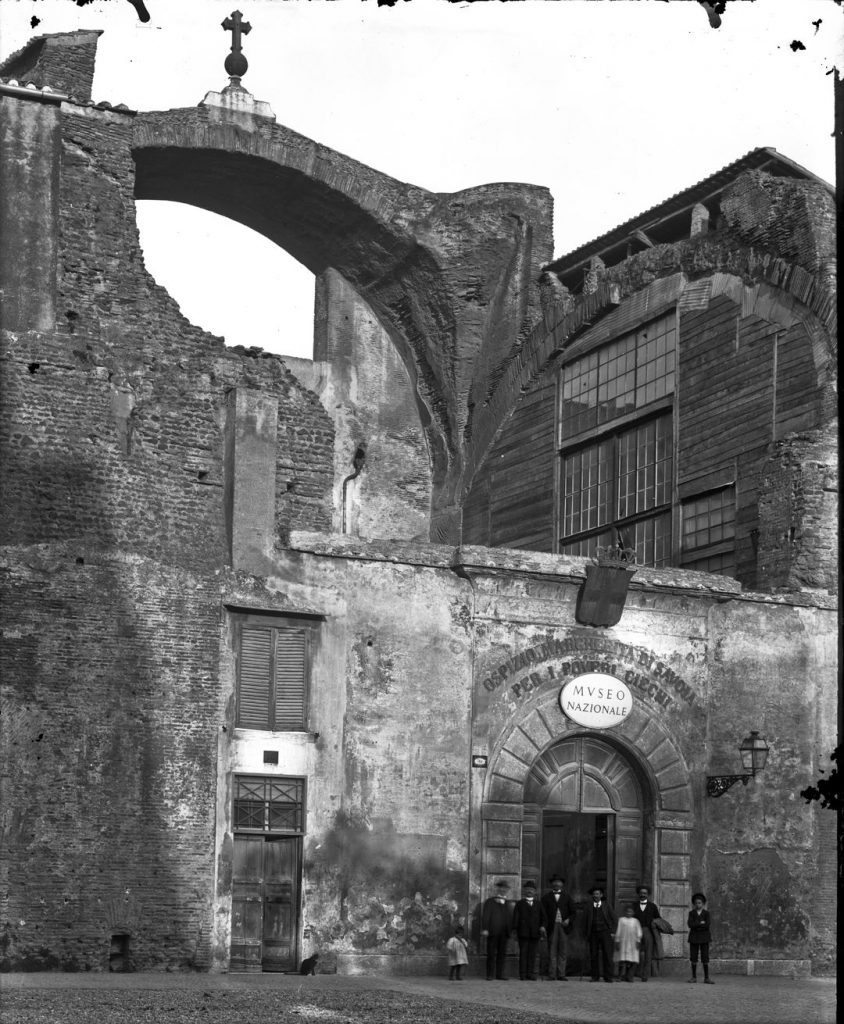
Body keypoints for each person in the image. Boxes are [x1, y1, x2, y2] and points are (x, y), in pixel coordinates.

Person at [539, 875, 576, 980]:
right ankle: (551, 974)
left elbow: (573, 912)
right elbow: (543, 914)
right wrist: (543, 926)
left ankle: (561, 974)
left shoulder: (567, 897)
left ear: (562, 884)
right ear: (552, 884)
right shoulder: (546, 898)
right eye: (555, 882)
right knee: (552, 951)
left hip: (563, 927)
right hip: (552, 927)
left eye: (559, 882)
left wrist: (568, 920)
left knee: (563, 951)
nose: (557, 884)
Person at [513, 880, 546, 980]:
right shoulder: (520, 904)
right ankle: (522, 974)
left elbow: (544, 918)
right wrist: (515, 930)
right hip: (523, 933)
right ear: (524, 891)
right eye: (527, 889)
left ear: (535, 892)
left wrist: (543, 926)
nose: (529, 891)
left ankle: (531, 974)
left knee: (532, 954)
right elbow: (515, 918)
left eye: (531, 889)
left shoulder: (539, 904)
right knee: (523, 954)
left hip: (535, 933)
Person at [481, 879, 513, 980]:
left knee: (502, 954)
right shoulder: (489, 902)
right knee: (491, 954)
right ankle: (490, 975)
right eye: (501, 888)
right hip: (493, 932)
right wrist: (485, 929)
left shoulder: (508, 903)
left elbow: (510, 917)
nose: (503, 890)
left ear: (507, 890)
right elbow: (486, 916)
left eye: (505, 888)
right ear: (497, 889)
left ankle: (500, 974)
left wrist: (510, 930)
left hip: (504, 932)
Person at [584, 885, 617, 983]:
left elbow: (614, 919)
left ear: (601, 895)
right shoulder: (588, 906)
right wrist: (586, 934)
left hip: (605, 932)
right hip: (593, 933)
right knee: (593, 955)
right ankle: (595, 976)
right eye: (594, 894)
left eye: (597, 894)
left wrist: (612, 932)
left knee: (607, 954)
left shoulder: (607, 905)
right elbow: (584, 921)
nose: (596, 896)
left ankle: (608, 976)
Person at [633, 884, 661, 981]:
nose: (643, 895)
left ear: (648, 894)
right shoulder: (634, 905)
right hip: (636, 931)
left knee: (648, 953)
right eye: (641, 893)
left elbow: (658, 919)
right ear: (638, 894)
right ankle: (635, 972)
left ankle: (645, 975)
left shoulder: (652, 906)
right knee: (635, 952)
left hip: (648, 931)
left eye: (645, 893)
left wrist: (654, 924)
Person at [687, 892, 714, 984]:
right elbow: (690, 924)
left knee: (705, 957)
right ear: (694, 904)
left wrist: (697, 924)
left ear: (703, 904)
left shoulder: (706, 913)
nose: (698, 905)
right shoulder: (691, 913)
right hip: (694, 937)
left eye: (700, 903)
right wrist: (700, 923)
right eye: (696, 903)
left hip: (704, 937)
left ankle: (706, 978)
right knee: (693, 957)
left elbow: (707, 925)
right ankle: (693, 977)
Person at [614, 904, 642, 982]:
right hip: (623, 942)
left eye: (631, 912)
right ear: (625, 912)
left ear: (633, 913)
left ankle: (629, 976)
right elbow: (618, 930)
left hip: (632, 943)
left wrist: (638, 941)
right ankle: (620, 976)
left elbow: (639, 932)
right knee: (622, 960)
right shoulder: (621, 920)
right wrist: (617, 940)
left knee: (631, 960)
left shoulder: (636, 921)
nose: (629, 913)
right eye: (627, 912)